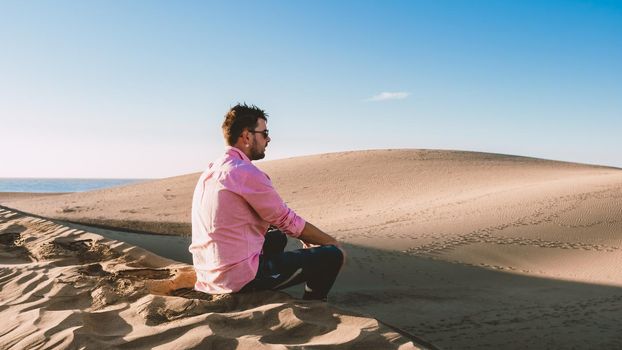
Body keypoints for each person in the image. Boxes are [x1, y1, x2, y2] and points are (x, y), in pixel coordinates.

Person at [190, 103, 345, 301]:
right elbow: (287, 220)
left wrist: (300, 233)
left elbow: (273, 219)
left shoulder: (213, 170)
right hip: (235, 280)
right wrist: (331, 243)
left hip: (208, 274)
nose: (269, 138)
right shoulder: (244, 172)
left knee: (278, 236)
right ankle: (314, 307)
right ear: (247, 136)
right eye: (265, 133)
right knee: (332, 256)